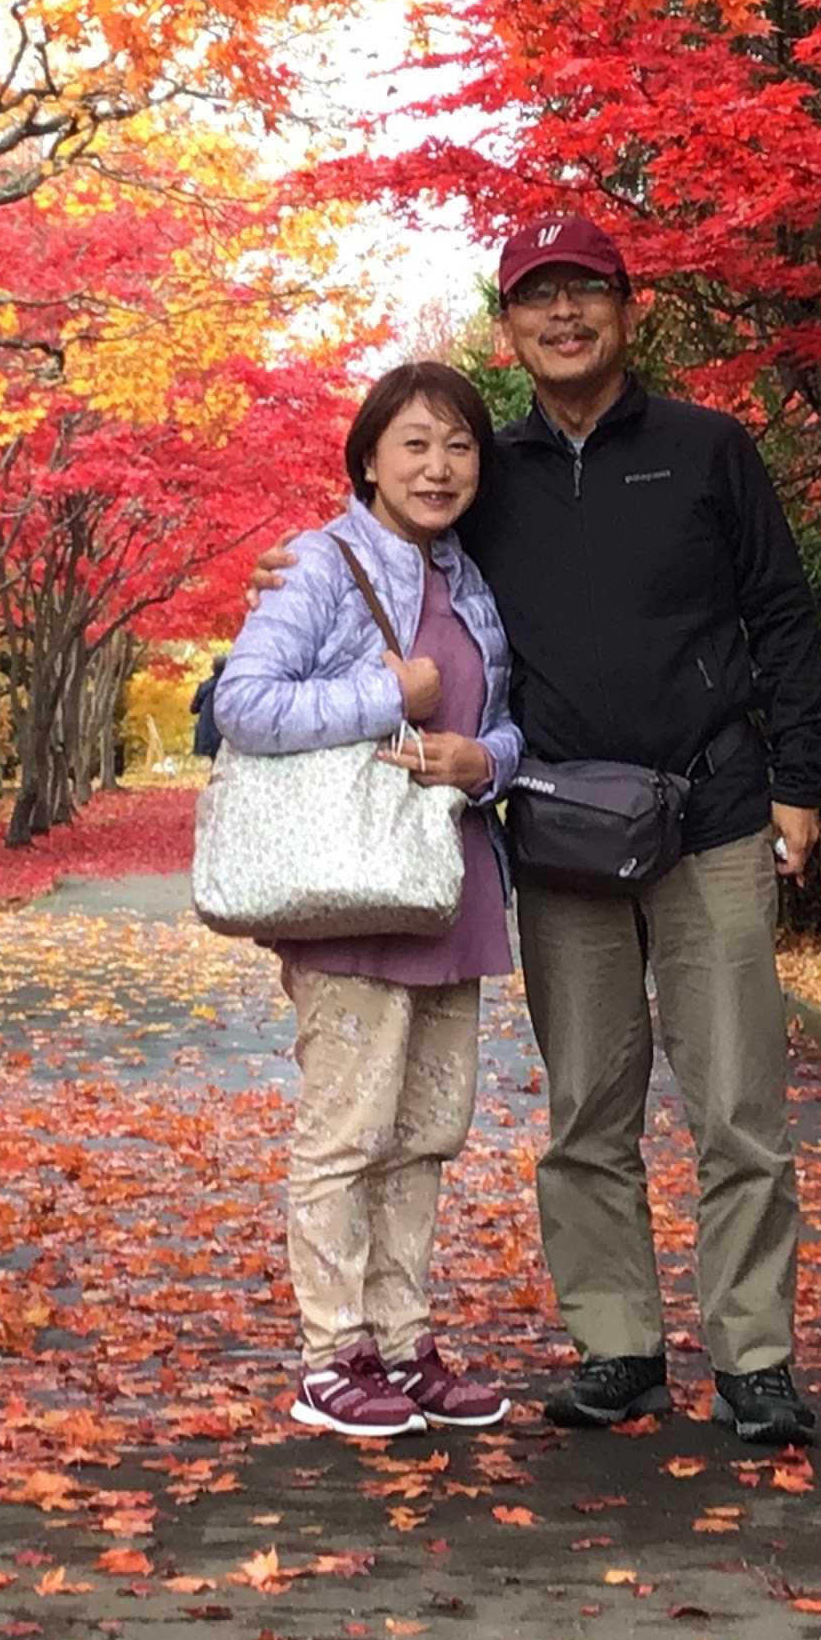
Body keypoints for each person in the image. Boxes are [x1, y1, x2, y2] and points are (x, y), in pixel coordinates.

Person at [254, 217, 821, 1447]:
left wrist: (801, 782)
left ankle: (755, 1358)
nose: (563, 319)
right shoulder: (491, 473)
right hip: (561, 828)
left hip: (714, 812)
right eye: (537, 301)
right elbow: (386, 550)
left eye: (587, 297)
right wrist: (289, 575)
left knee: (737, 1104)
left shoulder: (707, 450)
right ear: (509, 325)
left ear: (630, 312)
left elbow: (784, 614)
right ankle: (618, 1343)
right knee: (589, 1108)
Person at [213, 362, 525, 1439]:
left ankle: (403, 1341)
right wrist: (385, 697)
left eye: (459, 447)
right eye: (415, 444)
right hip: (351, 888)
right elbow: (240, 704)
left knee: (429, 1128)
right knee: (347, 1127)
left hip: (451, 881)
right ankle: (331, 1352)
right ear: (369, 459)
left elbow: (513, 721)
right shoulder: (317, 564)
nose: (438, 467)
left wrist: (479, 759)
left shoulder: (475, 582)